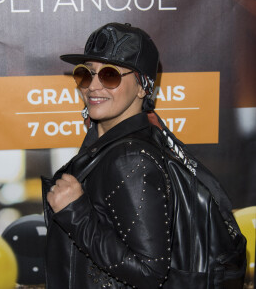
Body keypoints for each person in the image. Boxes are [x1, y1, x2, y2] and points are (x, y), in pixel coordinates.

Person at [41, 22, 246, 289]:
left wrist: (75, 213)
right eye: (86, 74)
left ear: (142, 87)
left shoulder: (130, 159)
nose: (93, 86)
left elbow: (150, 272)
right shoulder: (118, 146)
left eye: (110, 75)